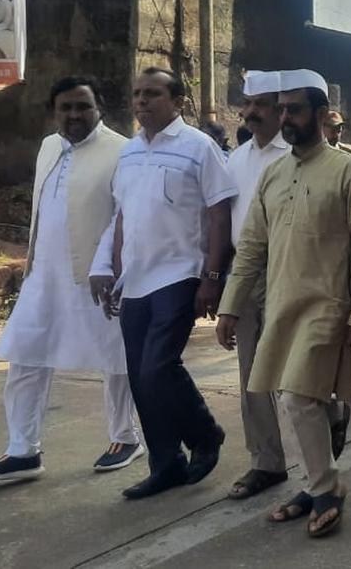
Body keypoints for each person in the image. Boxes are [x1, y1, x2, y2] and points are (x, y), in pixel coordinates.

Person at [216, 69, 351, 538]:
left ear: (322, 115)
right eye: (281, 109)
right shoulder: (274, 174)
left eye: (295, 109)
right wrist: (230, 306)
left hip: (328, 302)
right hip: (281, 304)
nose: (285, 117)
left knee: (297, 397)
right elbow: (250, 248)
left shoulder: (349, 170)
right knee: (296, 397)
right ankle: (315, 481)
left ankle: (326, 489)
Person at [0, 76, 143, 483]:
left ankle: (126, 437)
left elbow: (124, 217)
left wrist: (112, 267)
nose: (75, 115)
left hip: (96, 275)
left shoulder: (122, 151)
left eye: (83, 106)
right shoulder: (49, 146)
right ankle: (22, 450)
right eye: (65, 107)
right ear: (54, 111)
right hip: (43, 274)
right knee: (26, 355)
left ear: (100, 107)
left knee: (115, 359)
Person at [89, 68, 234, 499]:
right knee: (140, 376)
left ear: (178, 101)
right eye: (136, 94)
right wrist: (110, 268)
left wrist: (212, 277)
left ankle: (205, 434)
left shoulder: (199, 147)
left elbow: (219, 213)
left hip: (179, 273)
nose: (141, 102)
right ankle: (165, 464)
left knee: (158, 366)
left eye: (151, 94)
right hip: (135, 278)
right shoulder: (130, 154)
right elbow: (121, 217)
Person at [219, 71, 291, 501]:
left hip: (292, 273)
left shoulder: (297, 156)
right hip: (246, 276)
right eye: (247, 104)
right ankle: (266, 461)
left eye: (261, 103)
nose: (251, 112)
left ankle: (332, 425)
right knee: (253, 374)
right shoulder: (235, 159)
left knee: (300, 372)